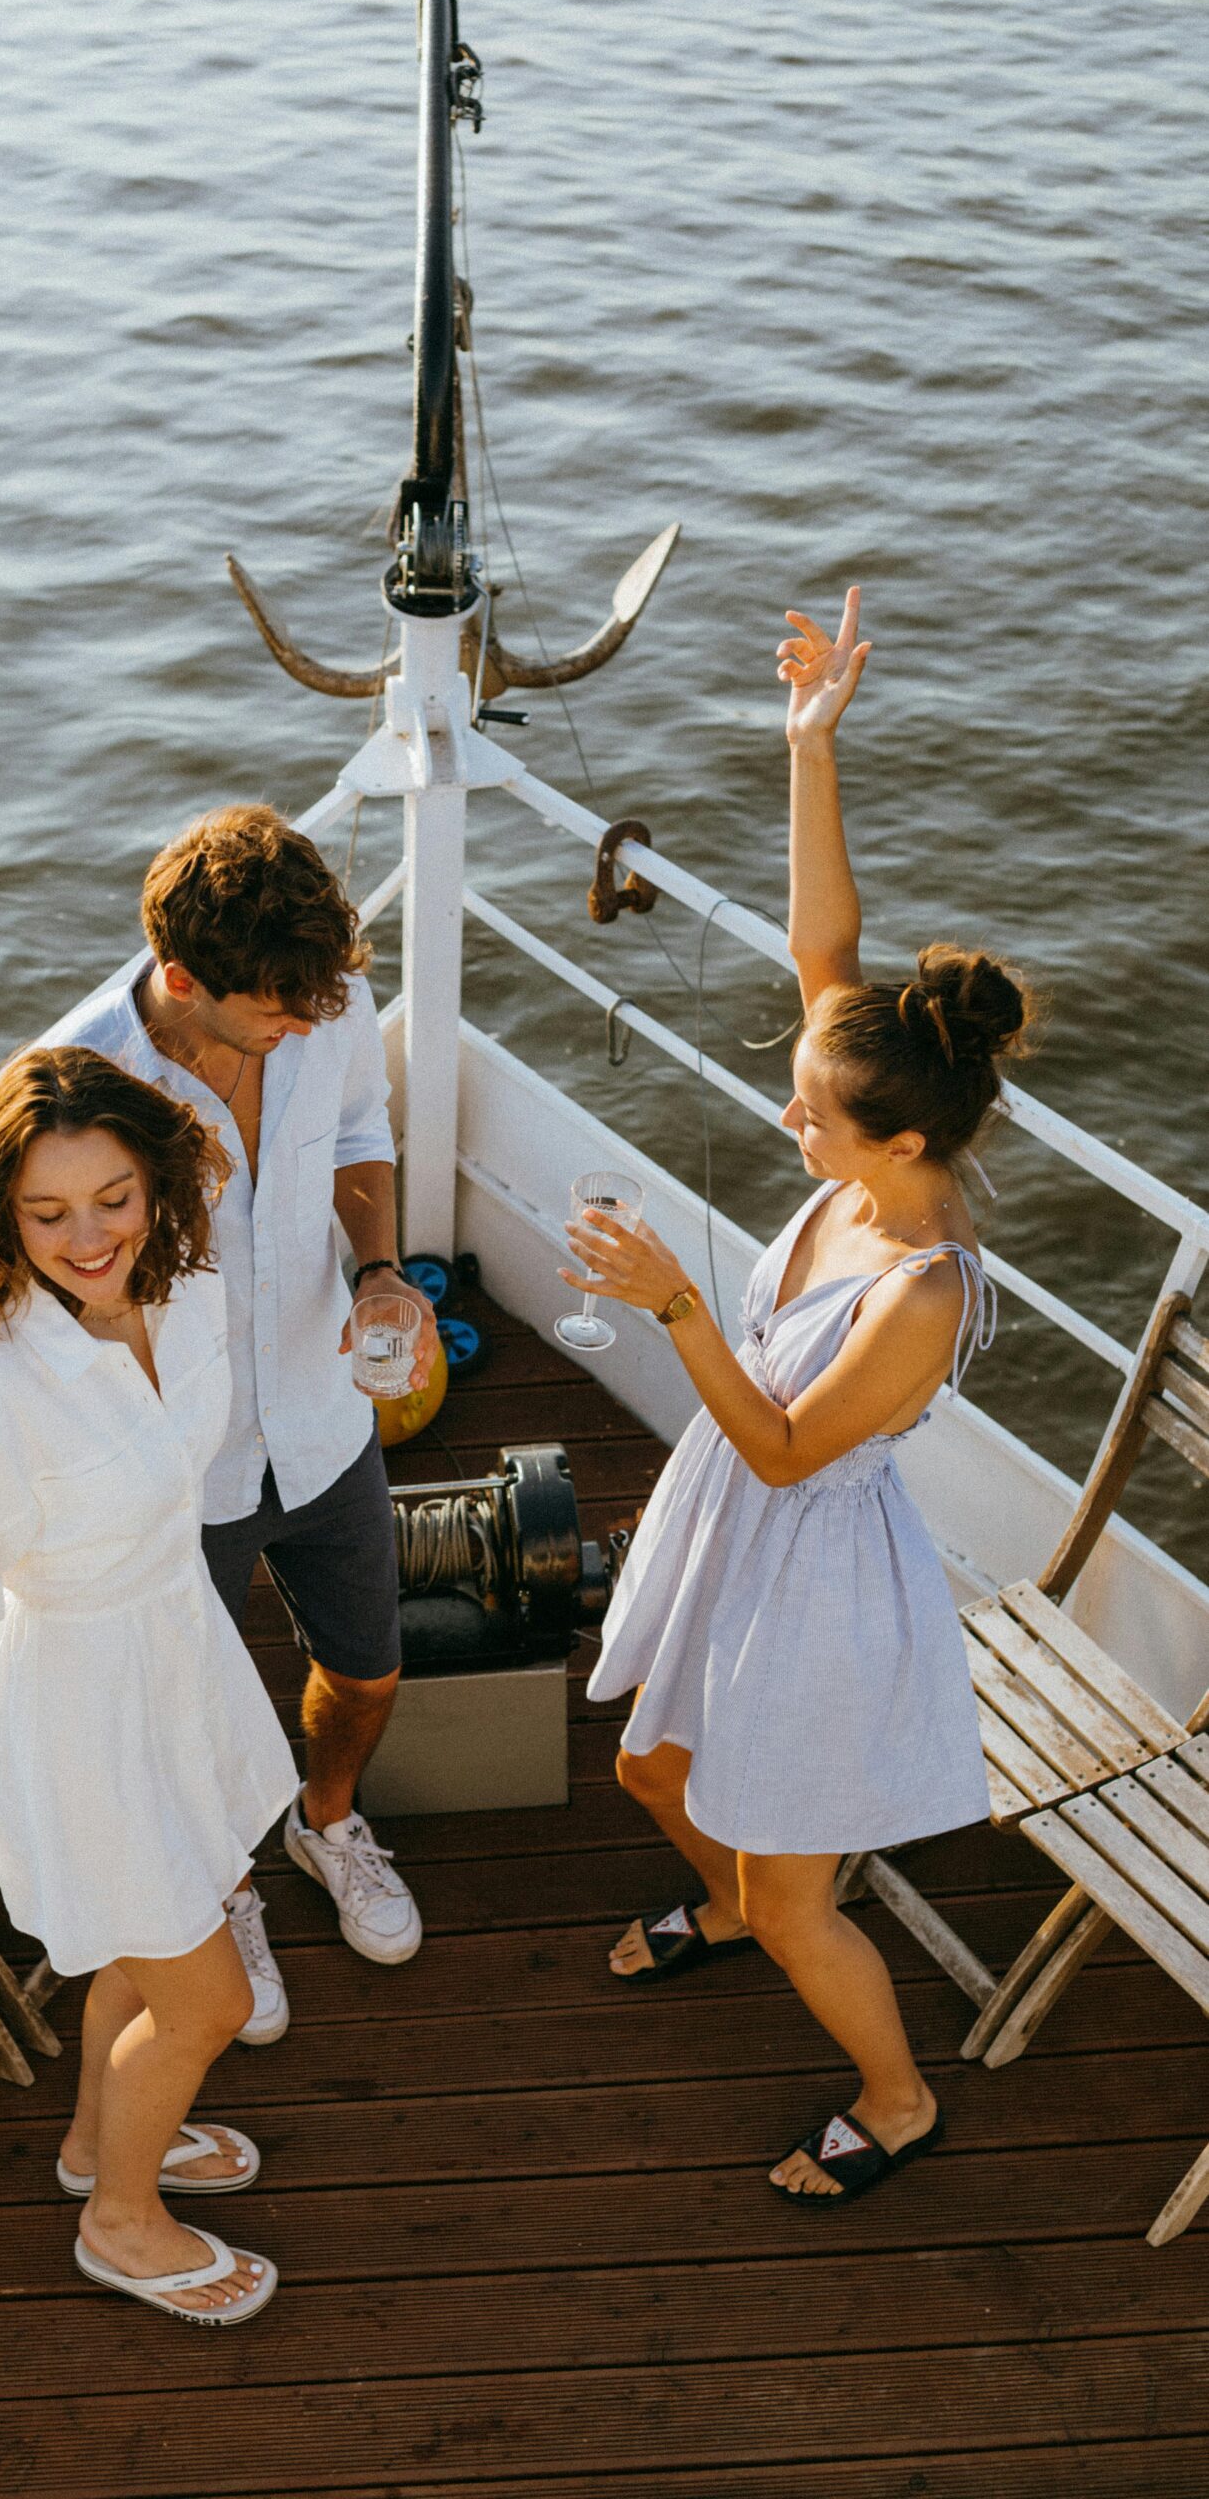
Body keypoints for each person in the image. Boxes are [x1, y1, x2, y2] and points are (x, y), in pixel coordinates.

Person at [569, 588, 1032, 2203]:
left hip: (808, 1549)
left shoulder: (919, 1294)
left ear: (901, 1147)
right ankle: (728, 1896)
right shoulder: (874, 1107)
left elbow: (777, 1452)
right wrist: (807, 748)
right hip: (739, 1510)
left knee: (792, 1895)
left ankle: (895, 2097)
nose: (791, 1126)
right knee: (645, 1767)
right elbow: (824, 948)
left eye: (814, 1121)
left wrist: (675, 1300)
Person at [0, 1045, 298, 2324]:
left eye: (111, 1197)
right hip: (77, 1706)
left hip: (176, 1653)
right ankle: (122, 2223)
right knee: (208, 1995)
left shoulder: (190, 1281)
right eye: (46, 1214)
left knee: (137, 1945)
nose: (87, 1236)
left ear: (153, 1180)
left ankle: (100, 2148)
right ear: (3, 1218)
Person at [61, 803, 438, 2039]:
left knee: (369, 1666)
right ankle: (225, 1891)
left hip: (325, 1422)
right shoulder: (85, 1086)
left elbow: (360, 1130)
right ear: (183, 980)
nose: (311, 1023)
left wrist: (382, 1273)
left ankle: (328, 1822)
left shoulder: (319, 998)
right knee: (189, 1719)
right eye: (281, 1008)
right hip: (180, 1468)